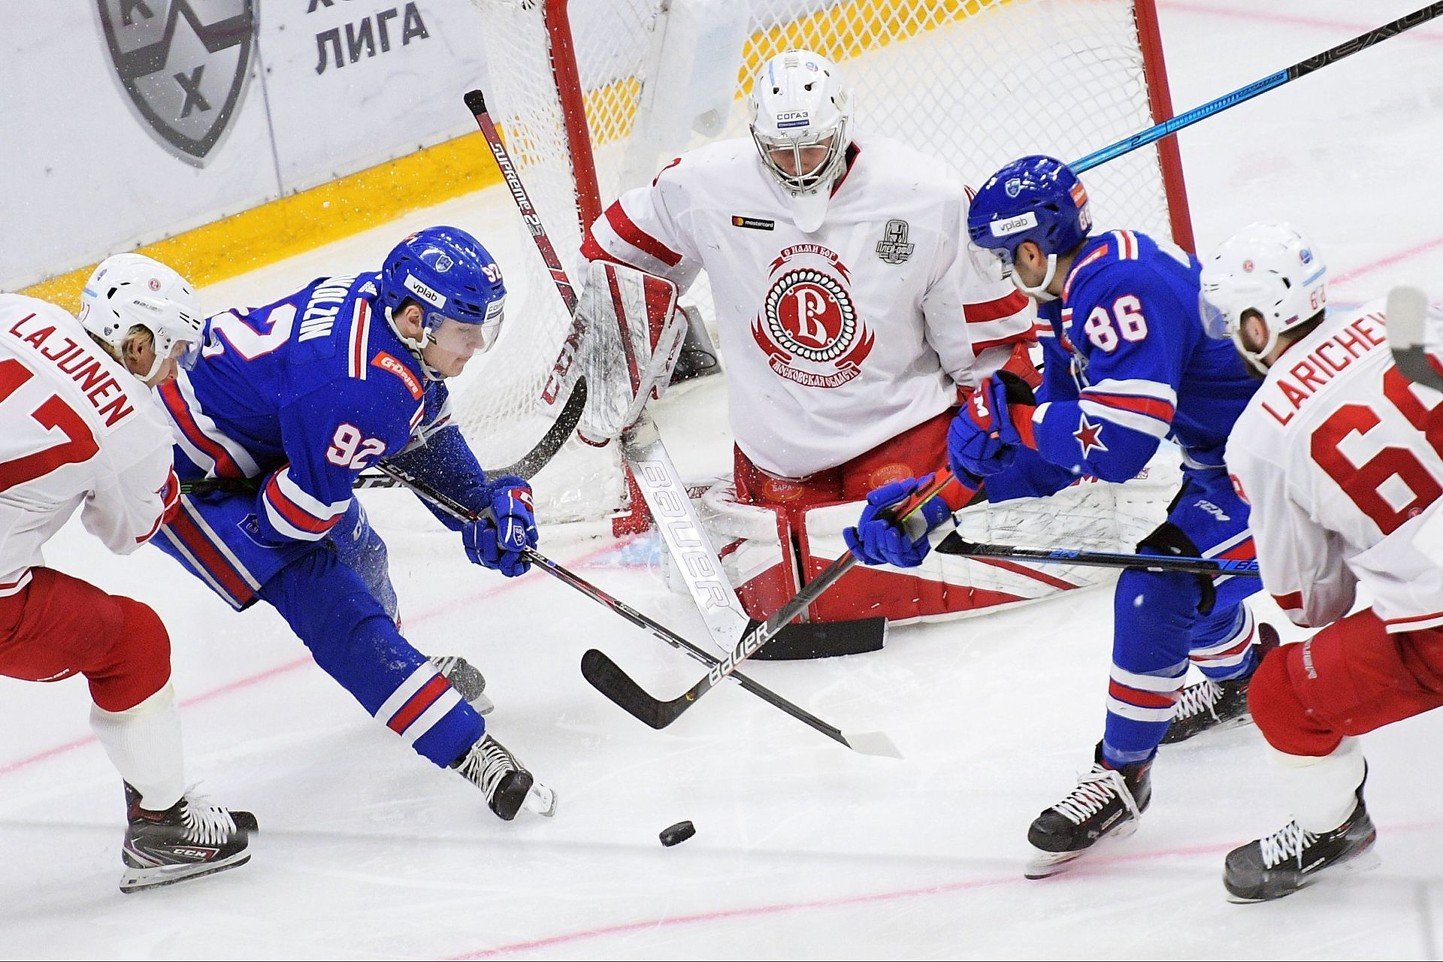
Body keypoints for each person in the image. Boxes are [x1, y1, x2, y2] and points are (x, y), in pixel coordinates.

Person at [849, 155, 1277, 876]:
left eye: (999, 257)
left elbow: (1117, 447)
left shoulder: (1117, 289)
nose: (999, 272)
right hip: (1228, 463)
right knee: (1185, 582)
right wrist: (936, 500)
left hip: (1281, 463)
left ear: (1029, 247)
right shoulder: (1070, 301)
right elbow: (1055, 456)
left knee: (1156, 584)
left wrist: (1012, 414)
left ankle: (1121, 776)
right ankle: (1239, 678)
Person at [579, 47, 1053, 632]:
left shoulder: (924, 195)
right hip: (775, 449)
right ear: (755, 138)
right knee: (783, 562)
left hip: (897, 430)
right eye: (782, 150)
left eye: (813, 147)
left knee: (880, 525)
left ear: (843, 128)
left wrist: (1000, 442)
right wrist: (608, 346)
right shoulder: (702, 186)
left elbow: (994, 344)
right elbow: (613, 254)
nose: (799, 165)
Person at [149, 226, 555, 822]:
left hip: (242, 436)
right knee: (330, 600)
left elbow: (418, 429)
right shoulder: (358, 388)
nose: (476, 346)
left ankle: (405, 668)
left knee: (362, 548)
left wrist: (481, 504)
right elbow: (299, 520)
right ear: (417, 319)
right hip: (176, 477)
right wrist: (321, 486)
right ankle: (471, 753)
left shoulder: (380, 314)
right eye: (466, 331)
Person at [1200, 222, 1443, 902]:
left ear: (1256, 324)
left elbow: (1312, 605)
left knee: (1280, 693)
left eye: (1227, 320)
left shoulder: (1259, 437)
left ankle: (1331, 830)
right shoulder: (1405, 307)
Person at [0, 253, 254, 892]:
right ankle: (163, 828)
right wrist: (159, 488)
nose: (173, 371)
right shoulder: (137, 428)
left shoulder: (19, 310)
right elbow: (121, 534)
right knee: (132, 642)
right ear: (138, 345)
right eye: (172, 353)